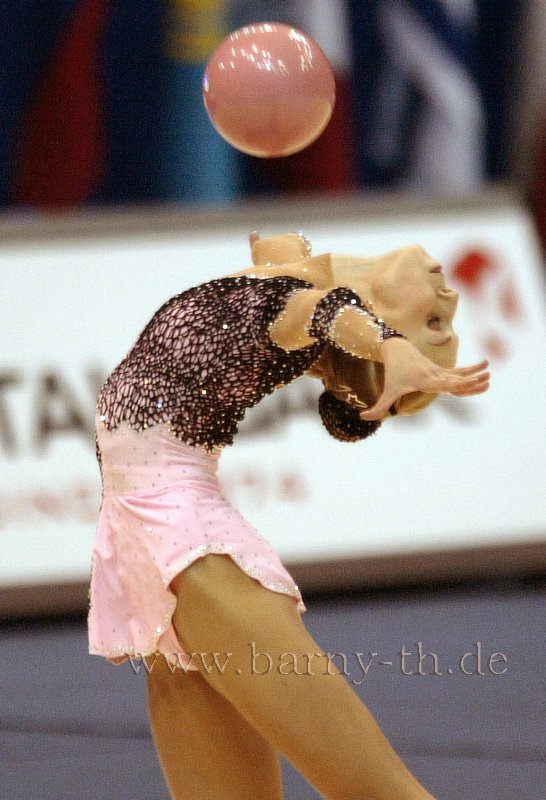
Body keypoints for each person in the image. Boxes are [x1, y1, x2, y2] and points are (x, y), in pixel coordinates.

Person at [88, 231, 489, 800]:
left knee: (379, 793)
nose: (450, 296)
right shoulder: (294, 276)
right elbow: (286, 262)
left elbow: (323, 311)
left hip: (192, 550)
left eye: (434, 324)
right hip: (148, 552)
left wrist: (390, 347)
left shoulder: (298, 322)